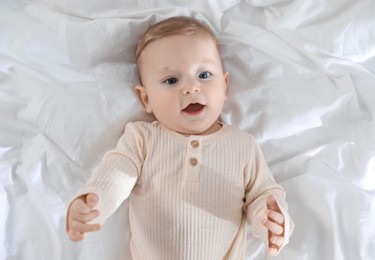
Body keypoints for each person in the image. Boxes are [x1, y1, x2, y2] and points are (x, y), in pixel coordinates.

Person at [66, 16, 294, 259]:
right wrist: (94, 203)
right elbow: (117, 173)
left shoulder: (242, 145)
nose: (191, 88)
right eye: (171, 80)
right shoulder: (143, 138)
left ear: (224, 86)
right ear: (146, 99)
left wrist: (271, 221)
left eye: (204, 75)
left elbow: (264, 194)